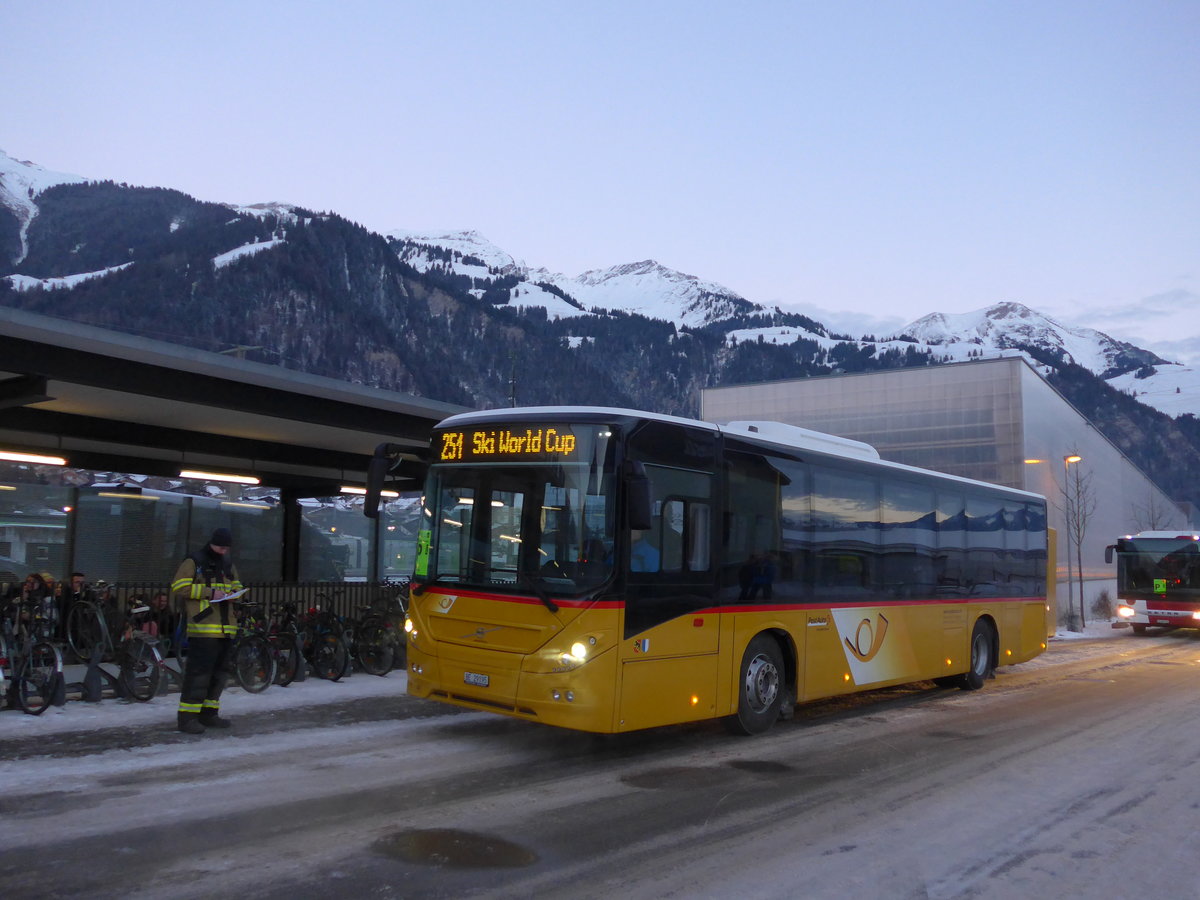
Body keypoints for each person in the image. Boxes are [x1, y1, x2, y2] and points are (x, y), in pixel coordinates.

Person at [171, 528, 244, 734]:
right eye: (220, 547)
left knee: (219, 675)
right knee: (199, 675)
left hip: (225, 629)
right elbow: (179, 587)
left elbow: (237, 585)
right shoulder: (194, 561)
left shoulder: (228, 563)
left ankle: (209, 714)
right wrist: (209, 593)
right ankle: (187, 718)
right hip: (203, 629)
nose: (223, 551)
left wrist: (235, 593)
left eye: (226, 548)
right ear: (212, 543)